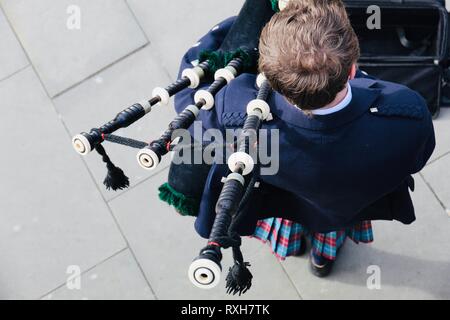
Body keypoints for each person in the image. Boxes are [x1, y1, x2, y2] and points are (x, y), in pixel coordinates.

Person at [162, 0, 436, 277]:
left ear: (266, 75)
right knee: (331, 225)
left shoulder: (234, 112)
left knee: (290, 220)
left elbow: (193, 92)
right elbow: (419, 157)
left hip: (283, 198)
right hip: (347, 203)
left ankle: (291, 247)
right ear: (352, 68)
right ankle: (321, 259)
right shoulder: (405, 112)